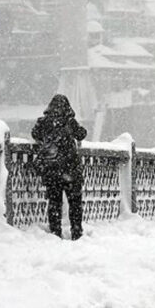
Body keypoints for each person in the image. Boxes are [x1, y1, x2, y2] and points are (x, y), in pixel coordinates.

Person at [31, 94, 88, 240]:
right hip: (70, 169)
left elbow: (35, 134)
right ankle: (76, 231)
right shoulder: (69, 122)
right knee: (75, 203)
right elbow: (81, 134)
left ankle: (55, 232)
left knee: (54, 203)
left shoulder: (44, 122)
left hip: (52, 170)